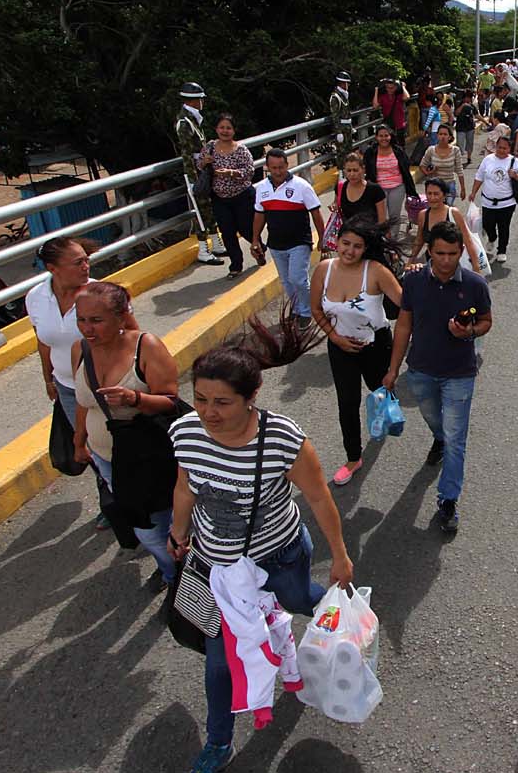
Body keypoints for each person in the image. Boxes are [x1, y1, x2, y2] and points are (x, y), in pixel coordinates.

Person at [168, 329, 354, 773]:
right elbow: (184, 487)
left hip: (279, 556)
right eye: (200, 399)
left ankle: (343, 622)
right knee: (220, 663)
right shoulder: (185, 431)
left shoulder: (282, 440)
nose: (208, 413)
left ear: (252, 396)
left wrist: (341, 557)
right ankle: (218, 741)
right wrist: (179, 534)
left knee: (299, 600)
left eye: (221, 402)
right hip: (221, 572)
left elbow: (319, 499)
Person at [381, 220, 493, 534]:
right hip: (420, 371)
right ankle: (439, 439)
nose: (446, 260)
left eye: (453, 253)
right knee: (436, 421)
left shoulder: (474, 285)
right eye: (440, 253)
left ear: (461, 252)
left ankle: (448, 500)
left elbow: (486, 321)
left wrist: (468, 331)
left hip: (460, 374)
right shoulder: (413, 281)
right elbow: (403, 326)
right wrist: (393, 370)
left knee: (457, 440)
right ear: (430, 251)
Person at [70, 281, 181, 590]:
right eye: (81, 320)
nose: (87, 329)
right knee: (144, 524)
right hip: (108, 458)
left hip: (150, 455)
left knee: (161, 523)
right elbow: (83, 401)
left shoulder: (147, 347)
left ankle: (180, 576)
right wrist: (79, 441)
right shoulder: (79, 350)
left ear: (121, 318)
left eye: (96, 320)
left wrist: (135, 399)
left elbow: (171, 401)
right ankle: (173, 570)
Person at [309, 219, 403, 486]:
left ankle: (385, 415)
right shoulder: (323, 270)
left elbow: (405, 304)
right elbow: (316, 309)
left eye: (357, 246)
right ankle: (353, 457)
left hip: (376, 345)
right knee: (347, 403)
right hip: (340, 348)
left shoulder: (376, 271)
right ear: (336, 242)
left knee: (381, 390)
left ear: (366, 249)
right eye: (345, 243)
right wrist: (336, 338)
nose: (349, 250)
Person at [27, 237, 111, 530]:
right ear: (53, 268)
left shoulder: (100, 293)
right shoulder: (36, 298)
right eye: (78, 263)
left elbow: (126, 337)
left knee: (110, 446)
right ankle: (110, 502)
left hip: (102, 388)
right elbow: (43, 340)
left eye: (86, 259)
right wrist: (47, 377)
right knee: (89, 449)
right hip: (66, 387)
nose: (86, 266)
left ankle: (129, 502)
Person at [252, 148, 325, 323]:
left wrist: (322, 238)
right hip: (276, 244)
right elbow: (259, 215)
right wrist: (255, 239)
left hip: (299, 241)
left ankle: (307, 312)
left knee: (298, 279)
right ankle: (297, 308)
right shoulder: (261, 188)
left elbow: (316, 213)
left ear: (287, 165)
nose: (278, 172)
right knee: (286, 281)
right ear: (268, 168)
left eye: (281, 167)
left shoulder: (302, 186)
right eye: (274, 168)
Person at [203, 114, 262, 279]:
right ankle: (236, 265)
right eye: (222, 127)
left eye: (228, 128)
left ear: (234, 131)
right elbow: (199, 165)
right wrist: (204, 162)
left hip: (241, 196)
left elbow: (250, 171)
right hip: (219, 198)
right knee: (227, 232)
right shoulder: (210, 147)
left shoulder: (241, 150)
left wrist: (231, 173)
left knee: (245, 229)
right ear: (216, 129)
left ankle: (258, 247)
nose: (225, 131)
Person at [175, 82, 225, 265]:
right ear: (193, 101)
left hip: (202, 169)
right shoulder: (184, 122)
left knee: (208, 208)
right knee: (200, 210)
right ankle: (204, 250)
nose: (202, 102)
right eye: (199, 99)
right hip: (195, 172)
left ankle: (217, 243)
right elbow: (187, 153)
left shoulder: (193, 119)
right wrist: (194, 176)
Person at [470, 134, 518, 263]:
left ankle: (502, 250)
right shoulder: (488, 160)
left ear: (509, 149)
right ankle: (492, 237)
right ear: (496, 147)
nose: (502, 150)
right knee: (487, 224)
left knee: (504, 227)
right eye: (499, 147)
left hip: (507, 203)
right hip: (488, 202)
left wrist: (515, 175)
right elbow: (479, 176)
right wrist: (473, 192)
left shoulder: (514, 161)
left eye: (505, 148)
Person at [364, 123, 418, 235]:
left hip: (397, 187)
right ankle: (384, 239)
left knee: (394, 215)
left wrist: (410, 190)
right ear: (376, 137)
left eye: (386, 135)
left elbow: (405, 169)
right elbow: (367, 171)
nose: (384, 138)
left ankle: (393, 240)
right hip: (379, 188)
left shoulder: (398, 150)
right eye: (381, 136)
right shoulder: (370, 152)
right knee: (383, 216)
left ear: (390, 136)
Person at [408, 178, 478, 264]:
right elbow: (419, 241)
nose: (432, 197)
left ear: (444, 196)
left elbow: (468, 241)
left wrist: (476, 266)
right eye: (429, 193)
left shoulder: (454, 213)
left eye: (436, 194)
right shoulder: (423, 215)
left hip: (454, 265)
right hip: (432, 265)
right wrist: (409, 262)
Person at [335, 152, 388, 225]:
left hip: (371, 234)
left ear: (363, 170)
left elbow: (382, 221)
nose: (352, 174)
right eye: (349, 170)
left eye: (355, 170)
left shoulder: (375, 190)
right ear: (344, 171)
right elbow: (336, 205)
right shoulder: (340, 187)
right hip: (348, 234)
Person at [420, 123, 467, 203]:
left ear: (450, 137)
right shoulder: (431, 150)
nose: (443, 136)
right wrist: (429, 173)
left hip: (449, 184)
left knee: (447, 210)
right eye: (440, 134)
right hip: (434, 186)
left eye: (445, 134)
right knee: (435, 211)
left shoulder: (455, 150)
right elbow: (422, 165)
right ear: (437, 136)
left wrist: (463, 189)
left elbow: (459, 170)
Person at [329, 71, 352, 159]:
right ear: (343, 83)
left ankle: (347, 170)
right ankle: (341, 171)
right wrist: (338, 132)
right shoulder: (336, 97)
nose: (347, 86)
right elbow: (335, 115)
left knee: (348, 151)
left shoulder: (344, 95)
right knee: (341, 152)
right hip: (341, 128)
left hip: (347, 127)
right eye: (347, 83)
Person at [454, 90, 478, 169]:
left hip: (470, 127)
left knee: (469, 143)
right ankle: (459, 160)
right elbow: (456, 113)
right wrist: (463, 105)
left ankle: (469, 157)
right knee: (460, 144)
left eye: (470, 98)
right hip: (461, 127)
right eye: (467, 98)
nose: (468, 99)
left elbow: (477, 115)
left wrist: (485, 122)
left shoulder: (472, 106)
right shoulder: (459, 104)